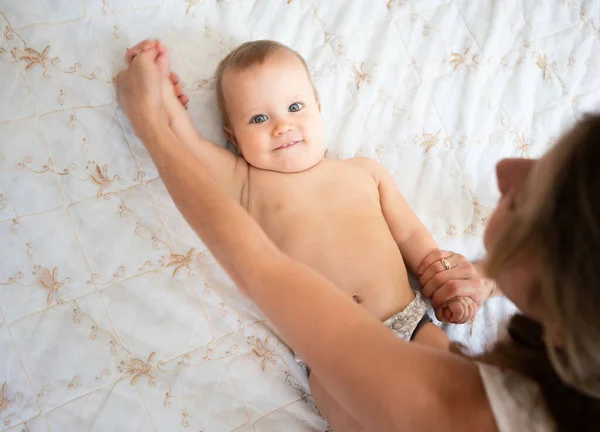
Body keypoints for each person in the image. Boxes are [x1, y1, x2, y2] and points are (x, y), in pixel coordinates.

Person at [116, 47, 600, 431]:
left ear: (320, 109)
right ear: (232, 136)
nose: (282, 125)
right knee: (342, 405)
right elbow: (192, 155)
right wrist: (161, 104)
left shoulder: (363, 172)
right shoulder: (245, 179)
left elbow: (410, 233)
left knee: (434, 367)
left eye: (295, 107)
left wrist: (438, 277)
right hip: (321, 349)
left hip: (410, 320)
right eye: (257, 119)